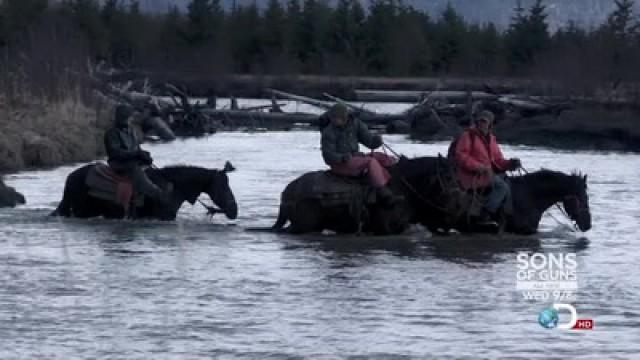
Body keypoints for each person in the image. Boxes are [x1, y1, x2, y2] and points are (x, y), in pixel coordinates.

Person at [320, 103, 401, 205]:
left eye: (336, 118)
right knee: (370, 161)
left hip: (355, 158)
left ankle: (393, 183)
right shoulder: (329, 132)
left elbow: (369, 141)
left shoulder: (356, 124)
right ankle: (383, 191)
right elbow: (328, 155)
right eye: (332, 118)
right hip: (340, 164)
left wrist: (376, 141)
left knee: (383, 158)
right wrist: (342, 157)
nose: (333, 120)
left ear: (344, 117)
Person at [454, 110, 521, 222]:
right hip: (471, 174)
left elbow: (498, 160)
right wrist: (478, 166)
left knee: (510, 183)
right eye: (480, 121)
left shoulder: (492, 139)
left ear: (490, 123)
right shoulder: (468, 136)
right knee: (502, 187)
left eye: (484, 121)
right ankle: (485, 213)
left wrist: (510, 163)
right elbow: (460, 155)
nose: (482, 123)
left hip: (487, 173)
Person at [104, 105, 171, 205]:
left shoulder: (131, 131)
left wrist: (145, 156)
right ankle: (158, 194)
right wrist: (136, 154)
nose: (131, 119)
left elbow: (137, 148)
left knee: (151, 171)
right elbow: (115, 153)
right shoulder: (111, 133)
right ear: (123, 117)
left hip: (132, 161)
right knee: (137, 173)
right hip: (119, 164)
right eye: (130, 117)